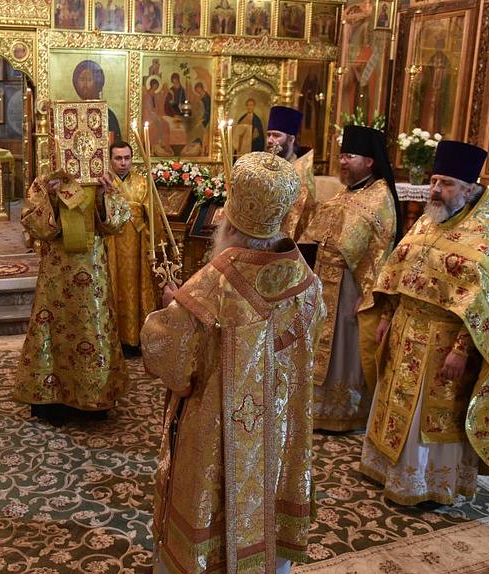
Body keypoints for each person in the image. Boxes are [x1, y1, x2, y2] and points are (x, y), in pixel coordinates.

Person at [142, 152, 324, 573]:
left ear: (229, 221)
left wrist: (169, 306)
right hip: (281, 429)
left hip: (215, 431)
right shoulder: (307, 281)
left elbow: (169, 359)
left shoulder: (211, 285)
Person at [361, 140, 489, 505]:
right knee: (393, 404)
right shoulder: (426, 222)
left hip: (442, 345)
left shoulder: (484, 242)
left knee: (427, 417)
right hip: (403, 330)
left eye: (446, 183)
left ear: (469, 190)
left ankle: (427, 484)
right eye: (434, 181)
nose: (435, 189)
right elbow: (399, 270)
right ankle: (385, 469)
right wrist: (386, 315)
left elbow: (487, 308)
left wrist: (461, 351)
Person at [299, 125, 401, 431]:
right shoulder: (346, 192)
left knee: (343, 350)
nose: (342, 162)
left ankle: (344, 412)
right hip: (323, 280)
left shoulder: (381, 197)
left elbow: (383, 251)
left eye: (349, 157)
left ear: (369, 161)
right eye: (341, 156)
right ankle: (315, 408)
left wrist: (369, 294)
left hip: (350, 285)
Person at [15, 164, 131, 423]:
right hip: (57, 270)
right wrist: (51, 197)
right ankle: (53, 399)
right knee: (55, 326)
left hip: (93, 269)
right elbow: (35, 226)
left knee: (93, 327)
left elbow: (118, 222)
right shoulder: (44, 179)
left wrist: (103, 196)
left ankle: (96, 397)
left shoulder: (101, 176)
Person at [101, 141, 156, 354]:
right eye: (118, 158)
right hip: (112, 242)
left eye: (127, 158)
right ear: (110, 160)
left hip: (137, 244)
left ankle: (137, 338)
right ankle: (115, 341)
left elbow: (153, 216)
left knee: (137, 287)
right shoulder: (103, 183)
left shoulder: (143, 182)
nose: (123, 163)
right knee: (113, 286)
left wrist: (154, 244)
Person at [266, 105, 316, 241]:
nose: (270, 140)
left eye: (276, 135)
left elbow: (298, 216)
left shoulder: (300, 174)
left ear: (291, 139)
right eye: (268, 135)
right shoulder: (266, 164)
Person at [72, 59, 122, 143]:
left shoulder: (108, 115)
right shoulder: (72, 115)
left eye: (89, 79)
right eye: (82, 79)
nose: (85, 85)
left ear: (98, 82)